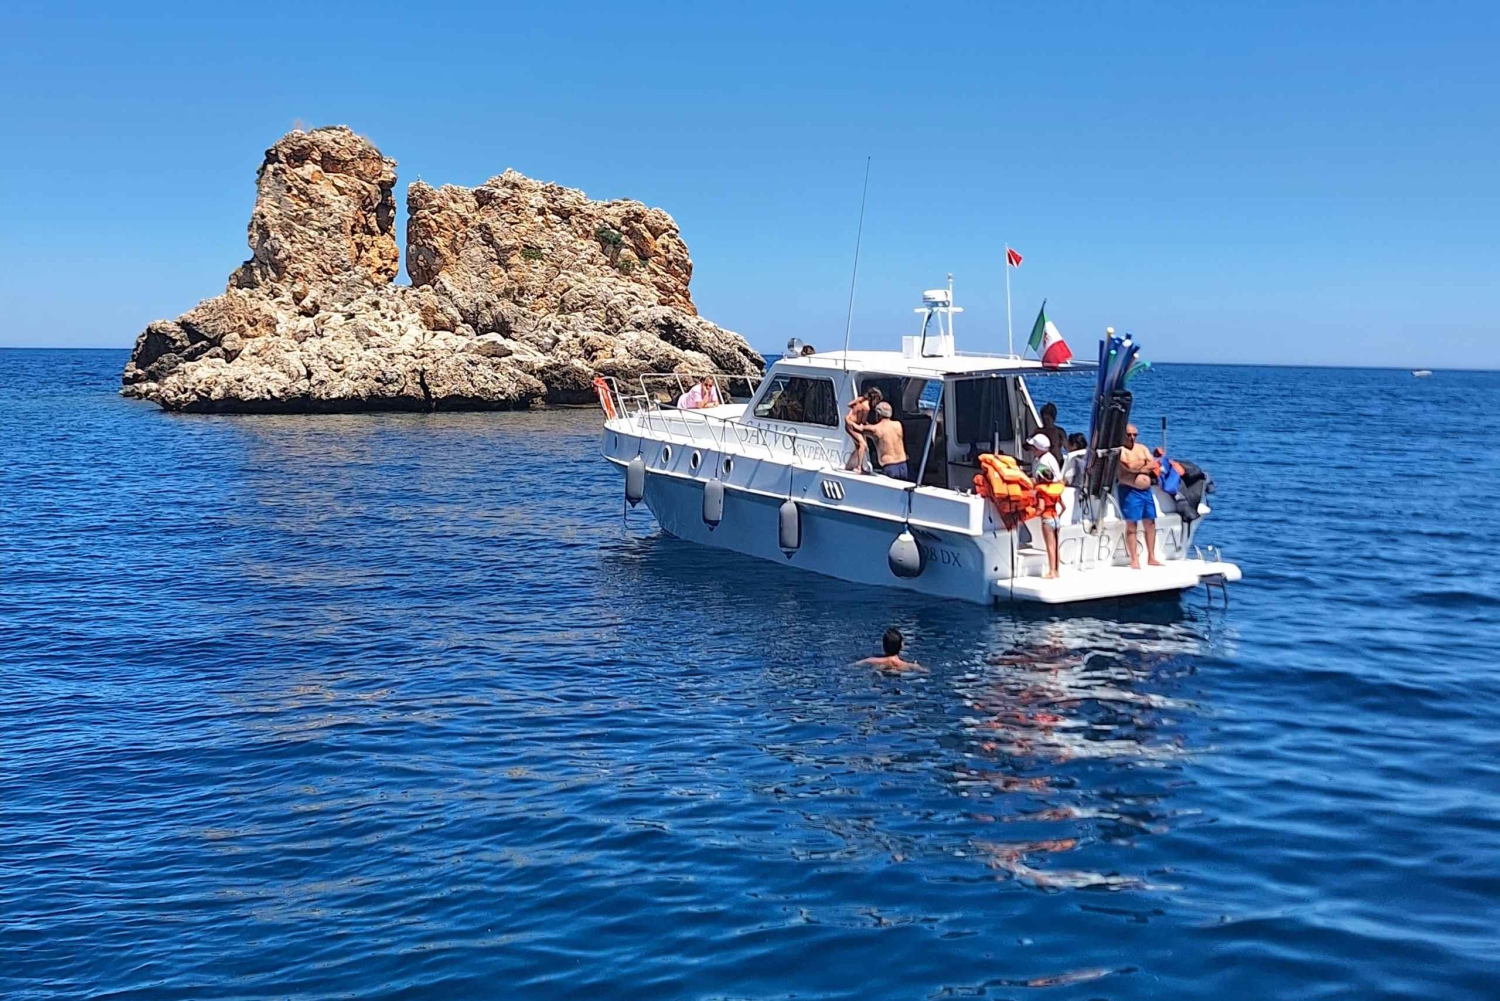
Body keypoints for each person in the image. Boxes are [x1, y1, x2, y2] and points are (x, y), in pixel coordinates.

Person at [1116, 423, 1163, 569]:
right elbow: (1129, 467)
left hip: (1146, 492)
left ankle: (1151, 556)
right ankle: (1134, 559)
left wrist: (1139, 468)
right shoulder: (1121, 451)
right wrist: (1142, 466)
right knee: (1132, 524)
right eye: (1129, 435)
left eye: (1134, 435)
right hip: (1130, 490)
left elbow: (1154, 464)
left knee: (1150, 522)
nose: (1132, 438)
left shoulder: (1142, 448)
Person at [859, 402, 908, 479]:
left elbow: (858, 429)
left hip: (890, 467)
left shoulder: (875, 429)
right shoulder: (898, 425)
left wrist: (849, 419)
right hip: (903, 466)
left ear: (877, 414)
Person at [1034, 465, 1066, 579]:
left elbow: (1041, 508)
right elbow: (1063, 507)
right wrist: (1059, 516)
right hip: (1056, 518)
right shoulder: (1055, 491)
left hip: (1047, 519)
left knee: (1050, 547)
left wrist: (1033, 514)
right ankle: (1057, 571)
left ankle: (1051, 572)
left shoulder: (1041, 492)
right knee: (1056, 546)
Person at [844, 387, 882, 471]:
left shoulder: (861, 400)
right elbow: (862, 421)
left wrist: (851, 413)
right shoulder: (867, 408)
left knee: (858, 446)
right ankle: (859, 467)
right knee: (863, 445)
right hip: (852, 426)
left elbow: (849, 404)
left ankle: (849, 465)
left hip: (849, 423)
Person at [857, 628, 922, 672]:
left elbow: (852, 666)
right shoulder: (908, 665)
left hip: (880, 667)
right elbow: (927, 672)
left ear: (883, 646)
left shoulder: (871, 660)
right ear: (901, 645)